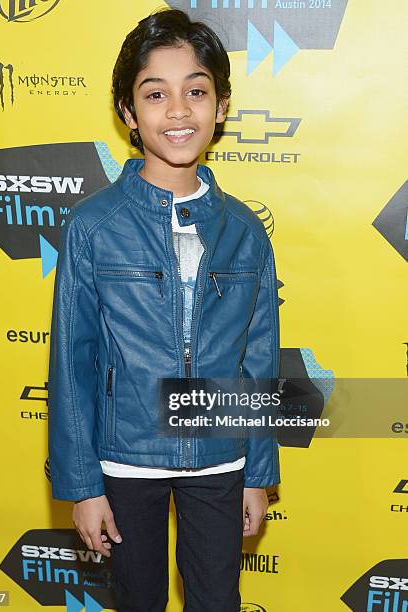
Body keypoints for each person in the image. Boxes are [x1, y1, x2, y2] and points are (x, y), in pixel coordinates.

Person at [47, 7, 280, 612]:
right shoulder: (94, 227)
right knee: (138, 602)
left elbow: (257, 360)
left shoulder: (246, 232)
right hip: (125, 459)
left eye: (196, 91)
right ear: (128, 112)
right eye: (156, 94)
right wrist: (81, 485)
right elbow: (72, 363)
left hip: (219, 457)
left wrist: (257, 471)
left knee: (216, 601)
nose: (178, 111)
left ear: (221, 106)